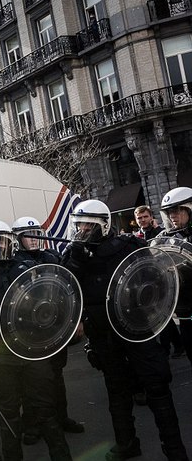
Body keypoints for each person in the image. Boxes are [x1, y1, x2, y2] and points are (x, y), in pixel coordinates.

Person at [61, 199, 188, 461]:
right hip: (104, 336)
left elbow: (153, 280)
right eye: (79, 225)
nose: (82, 230)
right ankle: (127, 444)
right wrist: (75, 259)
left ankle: (175, 451)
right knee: (117, 391)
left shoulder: (128, 247)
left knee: (157, 387)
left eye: (88, 225)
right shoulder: (74, 256)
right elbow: (66, 291)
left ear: (104, 226)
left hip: (137, 331)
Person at [0, 220, 72, 461]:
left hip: (31, 348)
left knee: (45, 409)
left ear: (9, 242)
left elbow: (46, 304)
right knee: (9, 414)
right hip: (0, 355)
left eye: (0, 241)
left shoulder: (25, 268)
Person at [11, 217, 85, 445]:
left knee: (56, 376)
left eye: (36, 232)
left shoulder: (52, 258)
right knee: (31, 382)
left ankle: (61, 418)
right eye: (28, 234)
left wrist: (75, 321)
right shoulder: (14, 263)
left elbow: (68, 289)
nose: (34, 239)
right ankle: (32, 425)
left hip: (54, 327)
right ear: (19, 239)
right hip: (30, 331)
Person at [134, 204, 184, 359]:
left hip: (164, 278)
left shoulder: (161, 233)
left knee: (165, 315)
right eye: (139, 218)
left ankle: (171, 346)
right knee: (161, 316)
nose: (142, 220)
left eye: (145, 217)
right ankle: (173, 345)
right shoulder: (136, 238)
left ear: (151, 217)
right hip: (149, 281)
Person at [158, 187, 192, 369]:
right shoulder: (164, 239)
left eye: (177, 210)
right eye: (170, 211)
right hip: (185, 310)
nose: (173, 215)